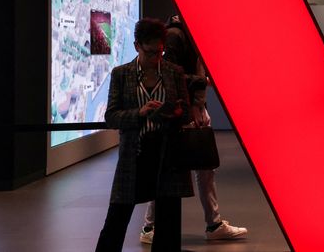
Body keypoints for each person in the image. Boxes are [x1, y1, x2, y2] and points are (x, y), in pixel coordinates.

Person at [140, 15, 248, 244]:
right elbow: (169, 73)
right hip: (184, 111)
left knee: (202, 168)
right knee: (174, 168)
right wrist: (205, 82)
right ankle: (151, 226)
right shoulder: (176, 35)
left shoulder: (185, 34)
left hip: (195, 108)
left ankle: (212, 223)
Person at [95, 18, 192, 252]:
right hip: (134, 157)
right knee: (116, 220)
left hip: (167, 159)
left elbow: (186, 114)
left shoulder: (173, 72)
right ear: (137, 45)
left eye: (160, 52)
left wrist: (174, 113)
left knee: (168, 227)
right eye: (151, 52)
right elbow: (112, 116)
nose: (156, 58)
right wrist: (140, 113)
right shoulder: (122, 74)